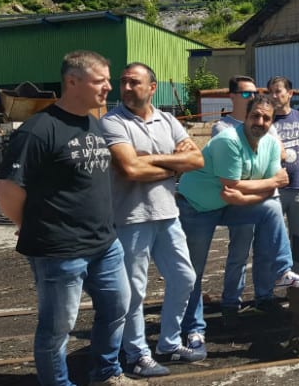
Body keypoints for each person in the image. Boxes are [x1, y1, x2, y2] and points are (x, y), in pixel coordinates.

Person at [0, 50, 138, 385]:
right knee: (57, 329)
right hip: (59, 251)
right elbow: (6, 190)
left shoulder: (93, 122)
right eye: (99, 81)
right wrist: (28, 227)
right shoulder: (38, 130)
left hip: (105, 244)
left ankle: (106, 374)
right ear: (72, 82)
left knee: (117, 310)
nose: (107, 88)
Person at [178, 94, 299, 354]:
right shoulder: (229, 141)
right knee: (192, 272)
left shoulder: (272, 145)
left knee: (271, 208)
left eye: (266, 118)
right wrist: (268, 184)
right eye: (255, 116)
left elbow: (262, 192)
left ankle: (283, 272)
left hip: (228, 204)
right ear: (245, 117)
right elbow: (237, 185)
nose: (260, 121)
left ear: (272, 121)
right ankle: (194, 329)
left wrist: (246, 196)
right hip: (196, 206)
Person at [100, 62, 206, 377]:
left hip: (168, 214)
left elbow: (197, 159)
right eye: (124, 82)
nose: (128, 88)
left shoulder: (168, 119)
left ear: (152, 87)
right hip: (130, 218)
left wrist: (154, 161)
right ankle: (137, 354)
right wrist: (176, 165)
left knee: (185, 277)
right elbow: (130, 170)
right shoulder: (112, 122)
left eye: (135, 82)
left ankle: (169, 343)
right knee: (134, 290)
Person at [211, 75, 283, 322]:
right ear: (231, 96)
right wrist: (270, 181)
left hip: (261, 198)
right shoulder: (223, 128)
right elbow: (233, 177)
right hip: (242, 201)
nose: (250, 97)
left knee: (265, 250)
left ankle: (264, 297)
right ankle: (231, 301)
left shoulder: (263, 122)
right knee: (239, 252)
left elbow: (279, 151)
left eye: (254, 93)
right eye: (244, 93)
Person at [267, 75, 299, 276]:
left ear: (290, 94)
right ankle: (274, 282)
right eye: (270, 91)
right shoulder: (266, 121)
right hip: (275, 191)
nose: (274, 95)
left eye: (278, 91)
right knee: (273, 240)